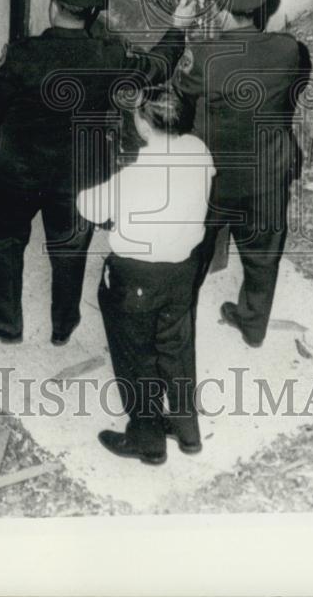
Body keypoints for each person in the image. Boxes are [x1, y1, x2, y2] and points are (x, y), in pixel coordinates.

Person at [0, 0, 196, 346]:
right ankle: (62, 325)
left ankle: (2, 323)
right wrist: (178, 26)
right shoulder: (110, 56)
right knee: (69, 249)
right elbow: (156, 67)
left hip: (15, 172)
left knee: (1, 240)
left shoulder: (23, 54)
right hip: (77, 175)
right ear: (90, 16)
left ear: (54, 7)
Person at [173, 0, 311, 348]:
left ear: (219, 9)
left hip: (217, 178)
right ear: (257, 11)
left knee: (193, 250)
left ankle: (178, 319)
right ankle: (252, 326)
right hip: (269, 173)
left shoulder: (204, 56)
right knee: (263, 255)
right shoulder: (289, 50)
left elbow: (180, 93)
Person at [78, 85, 215, 465]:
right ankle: (188, 433)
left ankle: (147, 441)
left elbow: (89, 206)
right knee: (176, 350)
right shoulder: (198, 151)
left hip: (136, 277)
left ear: (143, 123)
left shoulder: (136, 176)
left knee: (136, 357)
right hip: (184, 271)